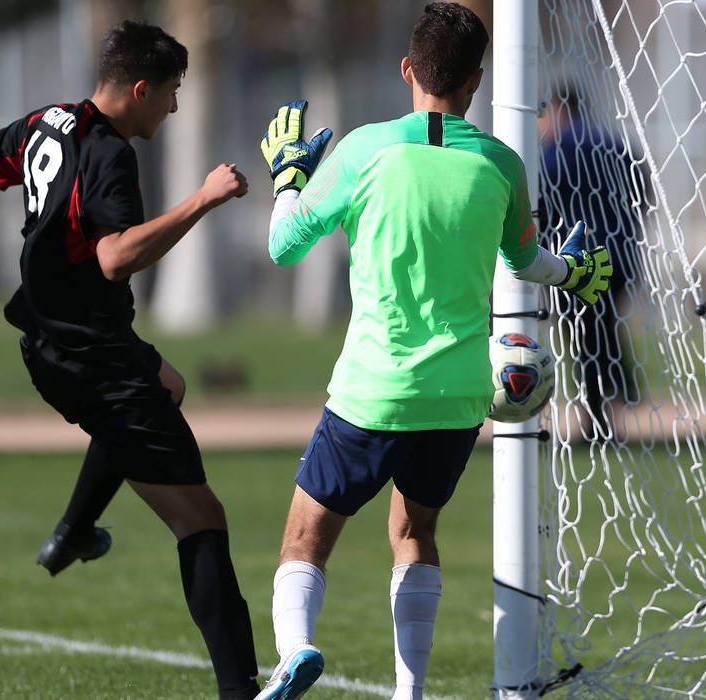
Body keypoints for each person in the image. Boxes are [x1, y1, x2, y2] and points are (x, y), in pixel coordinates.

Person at [0, 20, 260, 699]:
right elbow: (115, 255)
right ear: (139, 89)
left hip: (51, 337)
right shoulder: (111, 154)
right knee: (202, 519)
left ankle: (73, 531)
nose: (174, 107)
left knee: (172, 383)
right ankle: (240, 692)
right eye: (170, 93)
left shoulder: (45, 123)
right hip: (91, 355)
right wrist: (203, 198)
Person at [253, 4, 612, 699]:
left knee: (305, 540)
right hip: (459, 394)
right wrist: (574, 273)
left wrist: (290, 178)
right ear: (477, 80)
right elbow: (530, 260)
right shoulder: (504, 163)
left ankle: (295, 650)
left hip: (373, 389)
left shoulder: (365, 149)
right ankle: (408, 691)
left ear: (408, 69)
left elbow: (282, 244)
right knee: (414, 533)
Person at [536, 83, 648, 438]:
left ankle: (599, 420)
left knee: (585, 339)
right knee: (603, 329)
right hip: (620, 256)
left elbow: (540, 200)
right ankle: (621, 393)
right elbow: (642, 191)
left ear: (557, 109)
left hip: (580, 264)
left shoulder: (557, 148)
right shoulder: (613, 143)